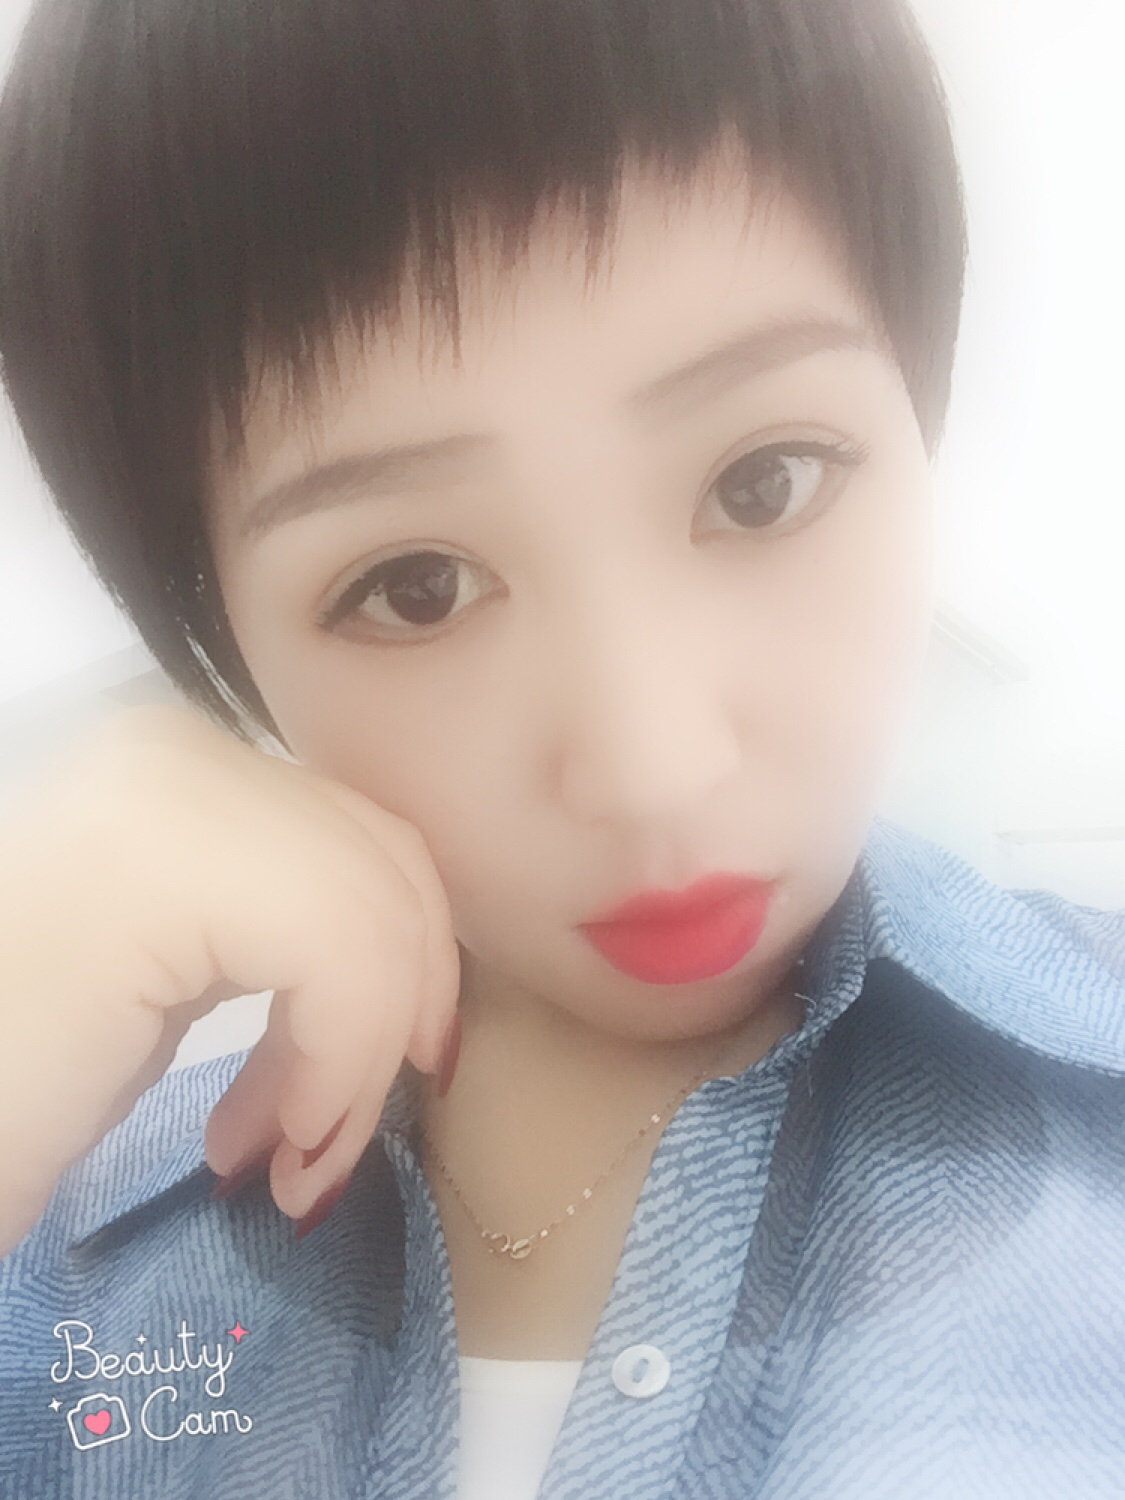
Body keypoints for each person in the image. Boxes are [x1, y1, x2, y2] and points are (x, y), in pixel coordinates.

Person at [0, 0, 1121, 1496]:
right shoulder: (59, 1244)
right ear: (226, 646)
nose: (655, 766)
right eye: (415, 587)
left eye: (764, 482)